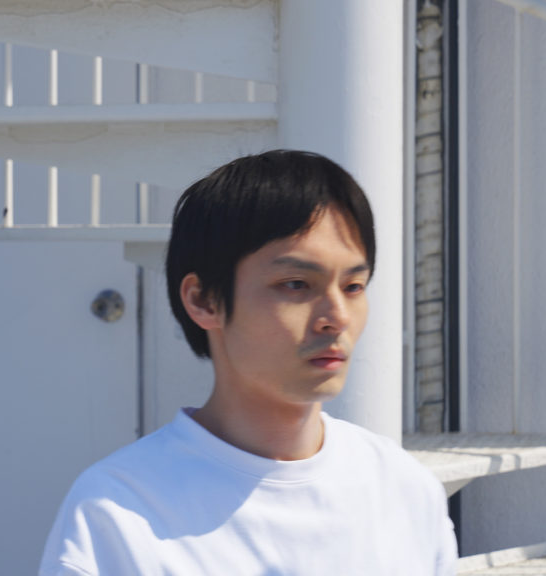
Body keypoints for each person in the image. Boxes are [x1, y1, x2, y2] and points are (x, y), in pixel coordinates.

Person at [38, 150, 458, 575]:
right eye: (296, 284)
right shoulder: (118, 512)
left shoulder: (403, 491)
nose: (337, 317)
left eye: (353, 286)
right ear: (204, 301)